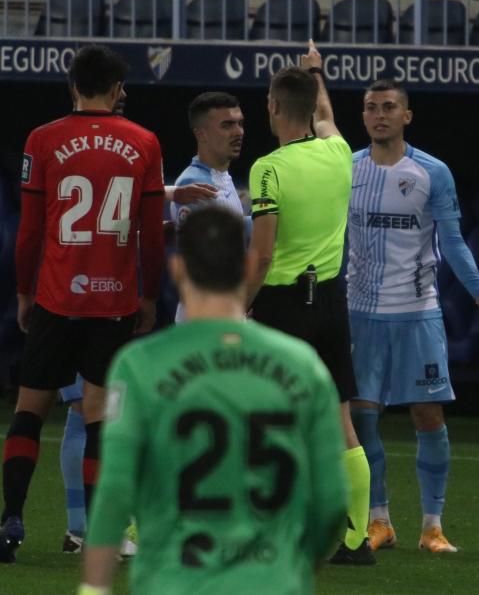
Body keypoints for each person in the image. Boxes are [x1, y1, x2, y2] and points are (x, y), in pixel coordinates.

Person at [80, 207, 348, 595]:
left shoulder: (140, 365)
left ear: (176, 269)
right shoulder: (302, 366)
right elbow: (331, 502)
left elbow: (115, 490)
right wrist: (293, 565)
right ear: (247, 266)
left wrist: (93, 589)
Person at [0, 45, 166, 563]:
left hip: (55, 299)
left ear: (72, 86)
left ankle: (11, 518)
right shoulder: (145, 143)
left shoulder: (41, 140)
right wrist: (149, 296)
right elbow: (150, 239)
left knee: (29, 411)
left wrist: (24, 292)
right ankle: (99, 535)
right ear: (115, 90)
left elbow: (28, 233)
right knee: (99, 417)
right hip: (113, 304)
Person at [347, 80, 479, 554]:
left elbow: (453, 240)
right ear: (362, 116)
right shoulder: (347, 168)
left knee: (428, 414)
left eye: (388, 107)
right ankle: (379, 521)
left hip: (416, 313)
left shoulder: (432, 172)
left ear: (407, 116)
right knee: (363, 421)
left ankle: (432, 526)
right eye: (370, 108)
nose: (378, 115)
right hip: (360, 313)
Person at [55, 84, 216, 556]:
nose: (121, 98)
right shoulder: (115, 144)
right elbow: (107, 199)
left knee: (83, 414)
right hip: (86, 293)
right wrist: (171, 196)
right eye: (116, 92)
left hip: (79, 292)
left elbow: (113, 212)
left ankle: (80, 527)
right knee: (88, 413)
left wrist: (162, 221)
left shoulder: (63, 142)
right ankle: (87, 527)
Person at [245, 41, 373, 565]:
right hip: (330, 303)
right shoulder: (339, 152)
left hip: (283, 303)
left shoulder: (267, 170)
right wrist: (318, 72)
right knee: (341, 421)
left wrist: (238, 306)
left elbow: (263, 251)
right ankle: (355, 540)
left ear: (273, 107)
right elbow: (326, 114)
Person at [170, 91, 250, 323]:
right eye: (227, 125)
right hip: (203, 316)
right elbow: (211, 256)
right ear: (201, 134)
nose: (238, 132)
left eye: (240, 124)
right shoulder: (193, 184)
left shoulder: (221, 175)